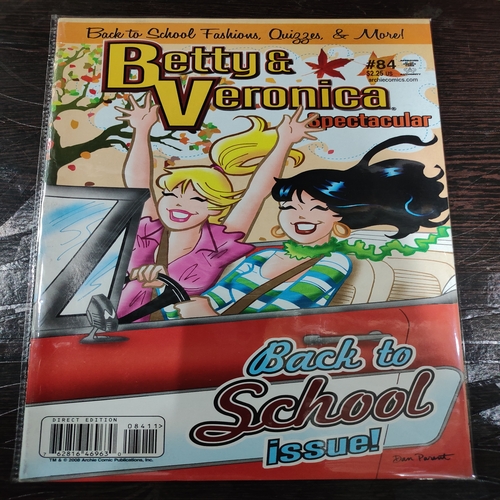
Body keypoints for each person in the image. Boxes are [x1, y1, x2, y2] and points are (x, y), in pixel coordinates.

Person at [175, 135, 449, 318]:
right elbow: (212, 298)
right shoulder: (260, 256)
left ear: (337, 216)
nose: (299, 216)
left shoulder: (333, 262)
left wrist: (206, 316)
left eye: (317, 208)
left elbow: (276, 317)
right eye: (289, 207)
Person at [114, 94, 323, 320]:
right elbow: (138, 182)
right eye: (171, 194)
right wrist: (141, 129)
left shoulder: (218, 243)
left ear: (215, 208)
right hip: (113, 321)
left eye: (197, 199)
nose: (179, 203)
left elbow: (256, 193)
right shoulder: (150, 231)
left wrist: (284, 142)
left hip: (173, 327)